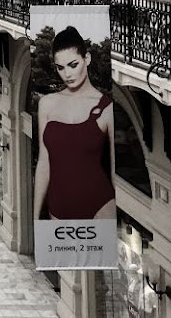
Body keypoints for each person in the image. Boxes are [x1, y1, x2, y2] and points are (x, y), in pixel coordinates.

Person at [33, 27, 115, 222]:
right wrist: (35, 217)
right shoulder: (47, 104)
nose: (67, 74)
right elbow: (44, 162)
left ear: (87, 59)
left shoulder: (106, 107)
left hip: (100, 207)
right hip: (57, 209)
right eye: (60, 68)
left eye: (73, 64)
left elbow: (114, 170)